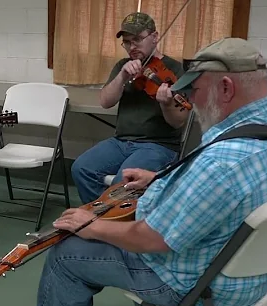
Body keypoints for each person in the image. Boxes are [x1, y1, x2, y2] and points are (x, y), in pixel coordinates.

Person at [4, 38, 267, 306]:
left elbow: (152, 239)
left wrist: (91, 226)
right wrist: (160, 180)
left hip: (205, 287)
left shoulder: (223, 162)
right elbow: (222, 193)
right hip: (256, 277)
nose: (188, 98)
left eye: (197, 88)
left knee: (65, 254)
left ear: (225, 88)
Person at [70, 12, 189, 204]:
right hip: (121, 141)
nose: (132, 47)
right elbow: (105, 101)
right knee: (81, 168)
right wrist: (122, 77)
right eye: (127, 42)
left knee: (122, 182)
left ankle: (115, 225)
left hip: (158, 146)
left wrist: (166, 103)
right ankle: (101, 218)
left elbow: (177, 121)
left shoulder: (174, 70)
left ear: (155, 37)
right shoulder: (123, 66)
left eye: (137, 40)